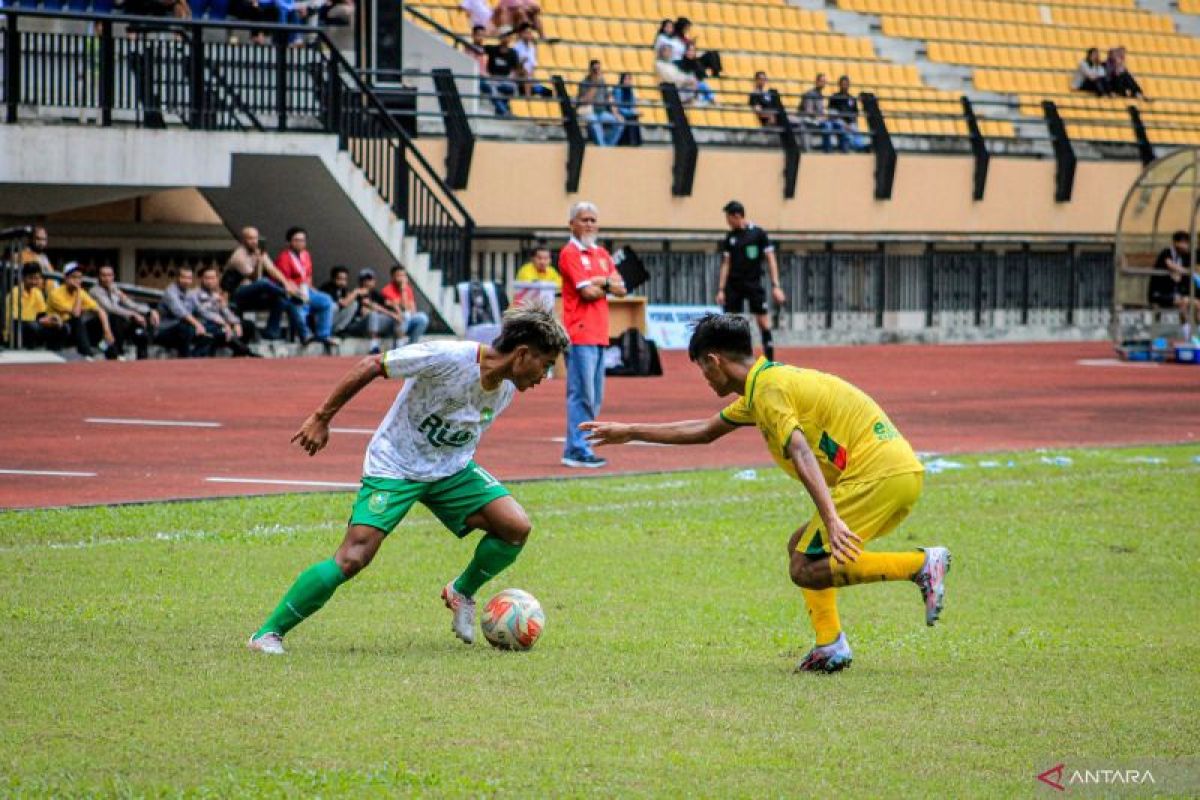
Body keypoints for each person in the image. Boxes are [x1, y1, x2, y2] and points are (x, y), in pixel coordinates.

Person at [582, 313, 950, 673]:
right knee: (799, 549)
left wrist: (833, 518)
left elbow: (801, 449)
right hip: (894, 472)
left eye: (702, 369)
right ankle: (830, 645)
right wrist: (630, 431)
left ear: (715, 361)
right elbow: (704, 430)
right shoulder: (763, 386)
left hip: (880, 474)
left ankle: (919, 565)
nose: (705, 379)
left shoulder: (769, 390)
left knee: (804, 567)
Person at [247, 304, 571, 655]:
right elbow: (371, 364)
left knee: (515, 527)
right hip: (396, 465)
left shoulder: (505, 387)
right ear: (522, 354)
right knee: (353, 557)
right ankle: (267, 634)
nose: (546, 375)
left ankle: (461, 592)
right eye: (547, 364)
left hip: (450, 469)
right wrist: (321, 417)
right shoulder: (446, 356)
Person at [558, 201, 626, 468]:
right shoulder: (569, 253)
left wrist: (603, 283)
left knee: (595, 395)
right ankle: (576, 448)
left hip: (599, 333)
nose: (589, 224)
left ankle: (580, 445)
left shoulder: (601, 253)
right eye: (584, 219)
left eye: (593, 220)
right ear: (572, 224)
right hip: (580, 332)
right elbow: (586, 292)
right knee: (582, 393)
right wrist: (605, 283)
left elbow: (621, 287)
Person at [717, 200, 786, 362]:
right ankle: (734, 357)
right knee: (731, 321)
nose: (727, 221)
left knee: (762, 321)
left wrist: (776, 285)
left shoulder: (758, 234)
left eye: (728, 217)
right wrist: (721, 289)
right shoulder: (730, 237)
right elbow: (726, 264)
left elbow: (771, 259)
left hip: (753, 284)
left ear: (736, 216)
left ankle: (769, 359)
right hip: (733, 285)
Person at [223, 226, 306, 341]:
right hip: (237, 293)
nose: (254, 241)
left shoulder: (259, 252)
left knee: (281, 300)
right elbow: (255, 278)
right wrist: (258, 261)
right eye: (250, 238)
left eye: (256, 238)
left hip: (254, 292)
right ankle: (288, 293)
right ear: (243, 240)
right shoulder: (239, 256)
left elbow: (272, 269)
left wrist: (286, 283)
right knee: (265, 282)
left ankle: (272, 332)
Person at [273, 226, 335, 349]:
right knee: (299, 306)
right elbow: (284, 281)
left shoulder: (306, 255)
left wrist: (311, 289)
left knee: (326, 300)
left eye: (303, 240)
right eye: (297, 240)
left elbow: (308, 276)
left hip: (306, 290)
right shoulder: (284, 258)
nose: (300, 243)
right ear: (289, 242)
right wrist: (299, 293)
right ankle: (305, 335)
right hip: (293, 293)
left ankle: (323, 335)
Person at [47, 263, 117, 360]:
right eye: (74, 277)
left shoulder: (81, 292)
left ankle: (113, 354)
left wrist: (107, 331)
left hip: (78, 329)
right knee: (77, 320)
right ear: (65, 278)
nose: (77, 280)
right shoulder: (55, 294)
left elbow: (100, 310)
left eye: (79, 277)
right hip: (60, 328)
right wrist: (79, 291)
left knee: (108, 318)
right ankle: (87, 354)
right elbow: (75, 314)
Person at [92, 264, 158, 360]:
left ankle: (143, 357)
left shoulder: (114, 288)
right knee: (116, 317)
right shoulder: (95, 291)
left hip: (117, 323)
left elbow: (130, 303)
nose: (107, 278)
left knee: (140, 327)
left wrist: (150, 311)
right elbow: (110, 308)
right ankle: (118, 352)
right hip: (99, 324)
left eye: (110, 275)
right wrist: (133, 314)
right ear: (99, 277)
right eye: (104, 275)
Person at [195, 265, 255, 357]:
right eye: (207, 278)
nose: (210, 281)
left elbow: (226, 311)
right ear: (201, 279)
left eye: (212, 278)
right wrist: (225, 324)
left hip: (223, 327)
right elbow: (205, 313)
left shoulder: (216, 296)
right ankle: (245, 351)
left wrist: (236, 323)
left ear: (216, 280)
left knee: (248, 325)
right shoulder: (194, 294)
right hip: (206, 327)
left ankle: (238, 355)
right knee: (218, 329)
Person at [4, 263, 65, 350]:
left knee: (61, 326)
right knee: (33, 326)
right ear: (23, 278)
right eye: (31, 278)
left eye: (36, 278)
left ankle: (54, 351)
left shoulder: (37, 292)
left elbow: (42, 314)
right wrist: (40, 321)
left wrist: (53, 318)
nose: (34, 281)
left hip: (34, 325)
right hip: (15, 329)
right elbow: (15, 319)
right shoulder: (15, 292)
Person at [155, 266, 211, 358]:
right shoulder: (170, 292)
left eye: (189, 278)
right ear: (177, 278)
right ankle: (185, 360)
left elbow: (201, 311)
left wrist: (223, 323)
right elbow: (181, 312)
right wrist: (197, 324)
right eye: (183, 277)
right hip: (165, 330)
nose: (186, 281)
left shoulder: (190, 293)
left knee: (210, 330)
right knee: (185, 328)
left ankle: (196, 360)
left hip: (184, 329)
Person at [1149, 231, 1199, 323]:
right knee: (1182, 303)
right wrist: (1187, 272)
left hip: (1177, 294)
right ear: (1176, 243)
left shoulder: (1184, 257)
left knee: (1198, 304)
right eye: (1184, 243)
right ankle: (1187, 333)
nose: (1186, 246)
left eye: (1187, 243)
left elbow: (1191, 268)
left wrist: (1191, 273)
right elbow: (1170, 265)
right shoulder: (1167, 252)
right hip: (1161, 293)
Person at [380, 265, 430, 345]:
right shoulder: (387, 290)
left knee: (423, 318)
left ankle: (411, 345)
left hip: (406, 321)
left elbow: (413, 310)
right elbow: (404, 308)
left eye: (404, 275)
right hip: (393, 322)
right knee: (405, 315)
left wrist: (402, 298)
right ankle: (399, 346)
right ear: (392, 277)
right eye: (399, 275)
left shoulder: (408, 289)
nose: (402, 278)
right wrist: (403, 290)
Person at [577, 59, 623, 147]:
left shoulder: (602, 81)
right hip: (589, 112)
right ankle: (602, 147)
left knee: (620, 122)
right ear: (590, 69)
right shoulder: (584, 82)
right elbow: (585, 100)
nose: (597, 71)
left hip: (601, 112)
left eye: (598, 69)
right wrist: (595, 84)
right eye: (595, 69)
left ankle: (609, 145)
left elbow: (609, 97)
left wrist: (616, 113)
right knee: (595, 123)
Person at [799, 73, 845, 153]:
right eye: (821, 81)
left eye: (824, 81)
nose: (823, 83)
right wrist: (822, 117)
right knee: (827, 125)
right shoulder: (810, 94)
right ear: (816, 81)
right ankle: (827, 150)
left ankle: (843, 149)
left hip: (819, 119)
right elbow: (808, 111)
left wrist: (825, 116)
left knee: (839, 124)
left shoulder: (820, 95)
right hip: (810, 120)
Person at [482, 30, 520, 116]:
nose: (506, 38)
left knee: (513, 88)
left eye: (508, 36)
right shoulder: (492, 49)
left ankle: (500, 109)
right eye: (504, 36)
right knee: (492, 89)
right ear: (500, 38)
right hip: (493, 78)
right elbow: (478, 48)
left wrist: (513, 76)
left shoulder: (513, 52)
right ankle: (504, 111)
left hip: (506, 78)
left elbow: (516, 69)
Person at [827, 75, 865, 152]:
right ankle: (846, 148)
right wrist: (844, 124)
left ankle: (861, 147)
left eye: (846, 84)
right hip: (839, 121)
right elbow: (832, 112)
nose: (845, 86)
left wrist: (852, 122)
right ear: (839, 84)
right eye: (843, 84)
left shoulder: (852, 98)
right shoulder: (834, 97)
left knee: (856, 130)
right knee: (844, 129)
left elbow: (855, 112)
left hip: (850, 123)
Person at [613, 72, 642, 147]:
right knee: (632, 117)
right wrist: (631, 112)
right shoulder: (618, 90)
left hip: (628, 111)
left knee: (635, 117)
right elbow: (618, 106)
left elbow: (632, 103)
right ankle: (630, 142)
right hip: (619, 112)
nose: (628, 81)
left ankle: (635, 142)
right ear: (622, 80)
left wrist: (635, 111)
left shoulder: (630, 90)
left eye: (630, 79)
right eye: (626, 79)